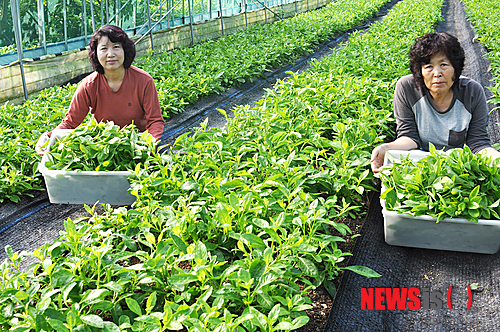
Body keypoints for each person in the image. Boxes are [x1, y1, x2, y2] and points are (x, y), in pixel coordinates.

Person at [371, 32, 500, 173]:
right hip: (419, 166)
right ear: (420, 71)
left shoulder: (472, 92)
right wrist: (385, 148)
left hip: (459, 169)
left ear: (455, 70)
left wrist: (496, 159)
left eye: (444, 65)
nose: (437, 73)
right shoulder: (406, 88)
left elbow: (478, 143)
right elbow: (409, 136)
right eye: (429, 66)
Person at [36, 25, 164, 152]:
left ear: (125, 50)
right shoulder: (89, 85)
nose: (110, 54)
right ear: (96, 53)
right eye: (104, 48)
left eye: (116, 47)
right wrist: (48, 137)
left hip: (136, 146)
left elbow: (155, 121)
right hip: (103, 148)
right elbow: (70, 122)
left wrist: (148, 146)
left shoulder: (143, 81)